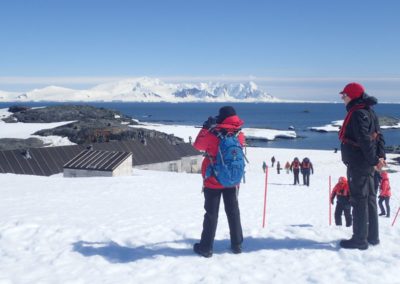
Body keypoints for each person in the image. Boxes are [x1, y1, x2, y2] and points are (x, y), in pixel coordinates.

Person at [338, 82, 386, 250]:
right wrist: (380, 157)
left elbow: (365, 141)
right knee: (370, 199)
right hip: (367, 164)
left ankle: (359, 240)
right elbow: (378, 136)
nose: (342, 98)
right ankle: (372, 237)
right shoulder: (369, 111)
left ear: (352, 95)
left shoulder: (357, 113)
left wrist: (375, 160)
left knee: (359, 200)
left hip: (359, 164)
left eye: (344, 95)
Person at [192, 106, 245, 257]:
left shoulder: (212, 134)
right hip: (232, 180)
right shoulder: (239, 134)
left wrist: (205, 128)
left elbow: (197, 145)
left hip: (213, 180)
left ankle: (206, 247)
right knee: (233, 212)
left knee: (211, 214)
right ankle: (237, 245)